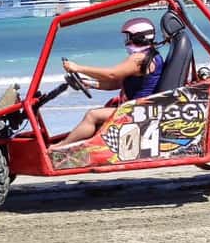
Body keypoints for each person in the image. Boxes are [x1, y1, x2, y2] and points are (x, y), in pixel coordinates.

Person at [52, 17, 164, 147]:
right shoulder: (150, 55)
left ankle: (59, 147)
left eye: (128, 37)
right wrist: (89, 83)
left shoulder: (139, 59)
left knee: (92, 115)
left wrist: (78, 68)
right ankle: (78, 145)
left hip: (136, 111)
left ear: (138, 37)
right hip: (138, 108)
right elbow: (117, 83)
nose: (126, 41)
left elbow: (112, 75)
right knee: (104, 110)